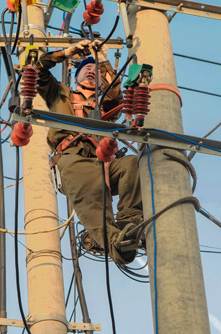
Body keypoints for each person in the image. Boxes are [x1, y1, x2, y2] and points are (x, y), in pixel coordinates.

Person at [36, 40, 143, 264]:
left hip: (100, 160)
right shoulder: (60, 93)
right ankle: (117, 244)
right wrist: (66, 53)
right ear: (75, 77)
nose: (92, 72)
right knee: (91, 200)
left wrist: (101, 58)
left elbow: (115, 91)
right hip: (71, 158)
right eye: (86, 69)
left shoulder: (105, 104)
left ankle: (128, 222)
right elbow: (37, 70)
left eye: (96, 72)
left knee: (131, 165)